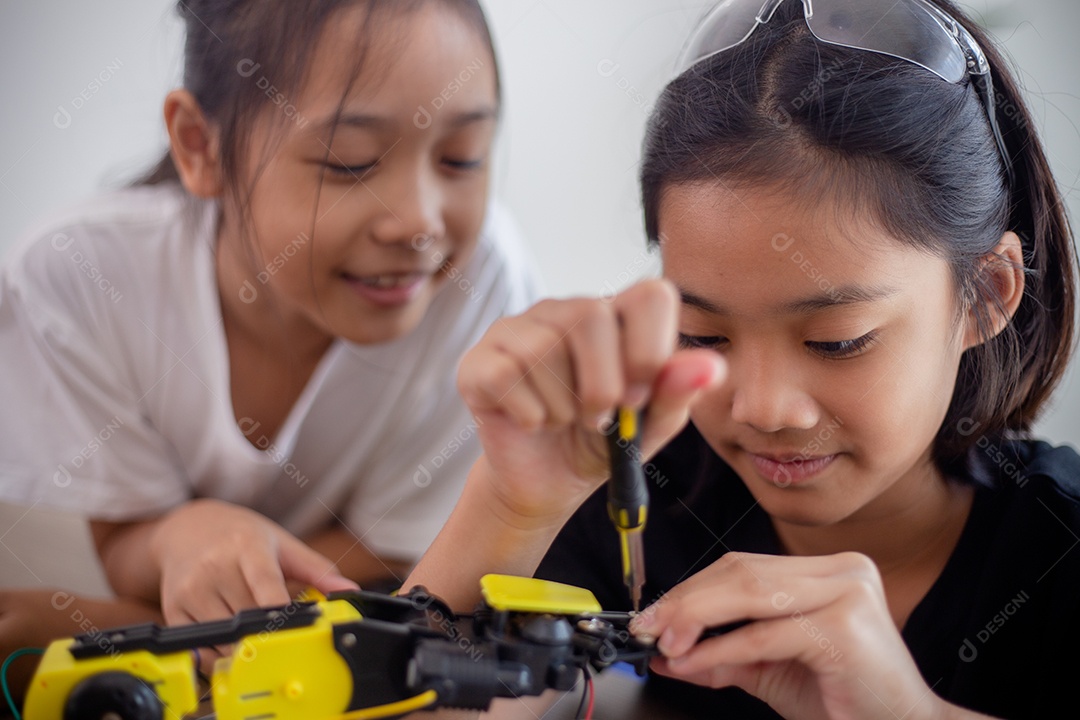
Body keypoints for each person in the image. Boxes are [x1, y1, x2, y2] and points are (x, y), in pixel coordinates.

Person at [404, 1, 1079, 718]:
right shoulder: (643, 493)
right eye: (702, 334)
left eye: (836, 340)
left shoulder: (1056, 558)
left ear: (987, 295)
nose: (760, 409)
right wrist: (508, 506)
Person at [0, 0, 538, 696]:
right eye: (351, 164)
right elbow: (124, 536)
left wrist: (156, 625)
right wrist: (176, 538)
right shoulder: (81, 278)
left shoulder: (483, 287)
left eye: (462, 157)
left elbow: (402, 562)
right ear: (200, 145)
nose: (419, 222)